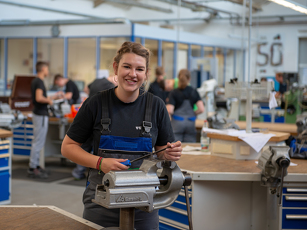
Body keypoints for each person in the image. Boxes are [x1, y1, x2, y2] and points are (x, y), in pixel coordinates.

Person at [61, 41, 182, 229]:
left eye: (139, 69)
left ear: (146, 73)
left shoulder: (156, 106)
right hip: (101, 203)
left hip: (144, 204)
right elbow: (67, 148)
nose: (133, 74)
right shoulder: (95, 104)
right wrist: (100, 163)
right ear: (116, 68)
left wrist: (169, 154)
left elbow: (161, 153)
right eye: (127, 66)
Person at [72, 75, 117, 180]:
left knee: (84, 147)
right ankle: (96, 172)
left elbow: (86, 89)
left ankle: (78, 172)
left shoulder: (97, 80)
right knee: (98, 148)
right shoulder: (110, 86)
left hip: (89, 116)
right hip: (102, 120)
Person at [28, 61, 62, 178]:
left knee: (39, 142)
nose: (48, 71)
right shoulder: (39, 81)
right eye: (47, 69)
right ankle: (33, 168)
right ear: (43, 69)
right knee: (38, 142)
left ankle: (36, 166)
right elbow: (39, 98)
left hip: (39, 114)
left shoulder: (36, 81)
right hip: (40, 115)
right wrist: (49, 101)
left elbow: (40, 97)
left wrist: (53, 97)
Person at [166, 69, 204, 143]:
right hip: (191, 122)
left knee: (176, 147)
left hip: (177, 123)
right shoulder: (194, 91)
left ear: (178, 78)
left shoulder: (174, 93)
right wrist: (193, 113)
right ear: (189, 79)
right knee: (190, 146)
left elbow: (170, 110)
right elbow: (201, 109)